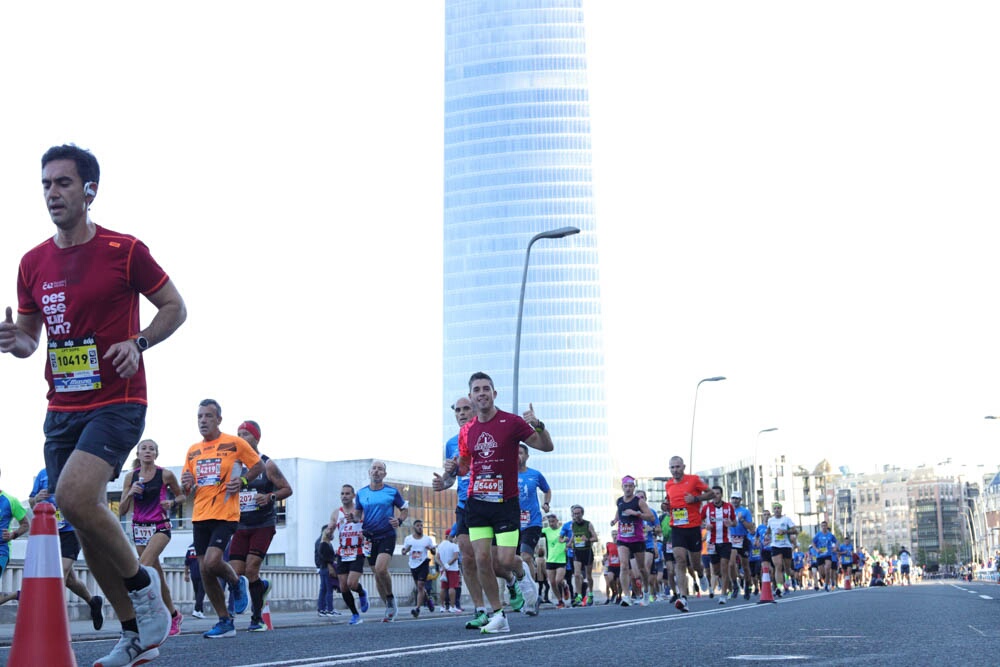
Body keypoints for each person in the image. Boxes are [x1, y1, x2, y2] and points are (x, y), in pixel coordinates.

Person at [2, 145, 187, 666]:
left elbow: (175, 307)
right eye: (45, 184)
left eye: (62, 183)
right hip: (61, 407)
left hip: (117, 400)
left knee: (75, 495)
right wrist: (14, 340)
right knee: (82, 518)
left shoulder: (124, 250)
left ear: (89, 190)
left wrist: (140, 342)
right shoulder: (32, 262)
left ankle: (144, 590)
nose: (52, 193)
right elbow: (30, 338)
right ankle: (136, 635)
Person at [458, 372, 551, 634]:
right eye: (476, 389)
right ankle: (499, 614)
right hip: (477, 503)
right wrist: (454, 468)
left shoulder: (511, 422)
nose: (482, 393)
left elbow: (547, 447)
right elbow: (465, 466)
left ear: (494, 393)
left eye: (486, 388)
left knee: (506, 559)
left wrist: (539, 425)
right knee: (482, 559)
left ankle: (522, 576)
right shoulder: (467, 430)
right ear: (472, 396)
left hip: (505, 503)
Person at [180, 398, 264, 638]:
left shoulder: (234, 443)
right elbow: (187, 488)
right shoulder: (193, 450)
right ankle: (225, 622)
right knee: (205, 571)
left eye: (208, 416)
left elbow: (258, 466)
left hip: (226, 513)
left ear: (218, 419)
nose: (203, 421)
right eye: (199, 417)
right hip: (200, 514)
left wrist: (244, 480)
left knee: (212, 562)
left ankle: (237, 583)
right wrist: (185, 485)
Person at [433, 396, 492, 629]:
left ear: (476, 409)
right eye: (458, 410)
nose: (462, 413)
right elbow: (451, 479)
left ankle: (514, 578)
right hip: (466, 504)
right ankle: (480, 609)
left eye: (466, 408)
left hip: (492, 502)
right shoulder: (450, 443)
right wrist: (443, 483)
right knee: (468, 558)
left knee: (497, 560)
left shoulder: (489, 435)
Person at [229, 420, 293, 632]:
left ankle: (256, 619)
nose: (241, 438)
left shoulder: (267, 464)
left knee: (251, 568)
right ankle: (262, 587)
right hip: (241, 524)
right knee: (235, 572)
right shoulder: (234, 466)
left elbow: (287, 489)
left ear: (256, 438)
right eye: (238, 434)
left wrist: (270, 496)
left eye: (245, 434)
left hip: (263, 524)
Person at [118, 439, 186, 636]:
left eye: (152, 449)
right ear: (138, 454)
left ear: (156, 454)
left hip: (160, 527)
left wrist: (171, 503)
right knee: (159, 576)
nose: (148, 452)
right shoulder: (131, 477)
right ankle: (174, 615)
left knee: (143, 566)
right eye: (144, 449)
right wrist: (130, 493)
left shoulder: (165, 474)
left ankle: (145, 617)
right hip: (139, 529)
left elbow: (181, 496)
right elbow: (122, 509)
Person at [29, 467, 106, 630]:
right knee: (70, 580)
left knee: (61, 571)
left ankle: (54, 617)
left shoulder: (75, 469)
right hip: (50, 532)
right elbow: (31, 501)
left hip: (71, 531)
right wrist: (37, 498)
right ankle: (93, 602)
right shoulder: (42, 474)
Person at [356, 460, 408, 622]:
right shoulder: (361, 493)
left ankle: (391, 599)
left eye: (380, 469)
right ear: (369, 472)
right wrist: (354, 519)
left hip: (387, 535)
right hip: (369, 538)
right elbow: (358, 514)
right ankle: (388, 607)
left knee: (380, 568)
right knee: (376, 574)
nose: (377, 471)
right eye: (374, 469)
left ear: (384, 474)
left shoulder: (392, 492)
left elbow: (404, 509)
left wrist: (399, 521)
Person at [664, 456, 713, 612]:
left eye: (678, 467)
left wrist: (696, 498)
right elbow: (668, 501)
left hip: (693, 526)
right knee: (680, 560)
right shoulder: (668, 484)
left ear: (683, 467)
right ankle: (683, 597)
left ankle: (701, 574)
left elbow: (711, 493)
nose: (675, 470)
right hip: (677, 527)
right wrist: (665, 505)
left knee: (695, 562)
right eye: (672, 467)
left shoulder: (693, 480)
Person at [517, 442, 551, 615]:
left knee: (525, 556)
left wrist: (546, 503)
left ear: (527, 456)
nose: (518, 456)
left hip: (532, 522)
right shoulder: (506, 475)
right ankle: (528, 594)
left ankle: (532, 596)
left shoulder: (535, 474)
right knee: (512, 561)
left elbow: (547, 490)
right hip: (512, 524)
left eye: (521, 453)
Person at [329, 484, 369, 626]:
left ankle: (362, 592)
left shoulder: (360, 511)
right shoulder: (336, 513)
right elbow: (330, 529)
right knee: (343, 587)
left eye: (347, 493)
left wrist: (358, 520)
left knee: (352, 584)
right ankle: (355, 614)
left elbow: (367, 526)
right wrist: (329, 533)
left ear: (353, 496)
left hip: (357, 550)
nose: (344, 496)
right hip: (342, 551)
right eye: (342, 493)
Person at [613, 475, 654, 607]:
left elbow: (651, 517)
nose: (628, 489)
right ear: (622, 487)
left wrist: (637, 514)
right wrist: (614, 520)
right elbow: (619, 513)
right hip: (622, 538)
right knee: (624, 566)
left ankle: (646, 591)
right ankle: (626, 596)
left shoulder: (639, 502)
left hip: (637, 539)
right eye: (626, 486)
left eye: (631, 486)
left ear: (634, 487)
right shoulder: (619, 501)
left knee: (641, 568)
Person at [700, 485, 735, 605]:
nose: (715, 496)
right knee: (715, 571)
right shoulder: (707, 508)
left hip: (725, 541)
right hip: (711, 542)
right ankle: (728, 584)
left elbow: (734, 522)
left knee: (725, 567)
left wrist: (730, 523)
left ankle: (723, 594)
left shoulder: (729, 507)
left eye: (718, 493)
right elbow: (699, 520)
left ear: (721, 495)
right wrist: (705, 526)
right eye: (713, 494)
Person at [0, 469, 29, 607]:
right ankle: (17, 595)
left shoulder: (10, 501)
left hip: (1, 551)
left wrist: (12, 535)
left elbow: (25, 524)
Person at [401, 519, 436, 617]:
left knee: (420, 585)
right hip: (413, 564)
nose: (420, 527)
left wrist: (432, 549)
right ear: (414, 527)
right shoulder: (408, 539)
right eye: (418, 526)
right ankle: (428, 600)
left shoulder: (427, 539)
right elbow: (404, 551)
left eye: (421, 526)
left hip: (423, 564)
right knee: (419, 587)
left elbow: (433, 552)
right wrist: (405, 550)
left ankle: (417, 609)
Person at [567, 504, 598, 607]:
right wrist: (569, 543)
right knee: (576, 574)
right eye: (575, 514)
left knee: (588, 576)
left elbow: (595, 538)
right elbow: (574, 536)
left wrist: (587, 539)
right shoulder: (573, 525)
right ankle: (579, 595)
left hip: (587, 551)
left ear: (582, 514)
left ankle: (590, 594)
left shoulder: (588, 524)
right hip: (577, 552)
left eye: (578, 513)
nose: (577, 516)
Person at [727, 491, 755, 601]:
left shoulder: (745, 511)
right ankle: (735, 585)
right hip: (731, 539)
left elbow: (750, 527)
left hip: (742, 539)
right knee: (731, 564)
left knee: (745, 566)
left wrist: (742, 519)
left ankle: (748, 586)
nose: (735, 500)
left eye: (737, 498)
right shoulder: (727, 510)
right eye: (733, 498)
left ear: (740, 500)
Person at [766, 502, 797, 597]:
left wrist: (785, 531)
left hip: (786, 546)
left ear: (781, 509)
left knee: (787, 568)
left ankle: (789, 579)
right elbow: (768, 531)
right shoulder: (770, 520)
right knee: (778, 566)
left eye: (778, 508)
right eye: (775, 508)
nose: (777, 510)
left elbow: (795, 530)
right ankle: (779, 587)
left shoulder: (786, 519)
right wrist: (766, 537)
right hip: (775, 546)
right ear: (773, 510)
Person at [541, 513, 569, 608]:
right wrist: (541, 520)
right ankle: (560, 601)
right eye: (549, 522)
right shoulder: (546, 530)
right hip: (550, 559)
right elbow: (536, 530)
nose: (551, 524)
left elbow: (570, 537)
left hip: (561, 559)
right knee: (552, 582)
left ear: (557, 521)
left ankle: (564, 585)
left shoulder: (562, 530)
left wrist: (567, 544)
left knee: (558, 580)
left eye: (553, 521)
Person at [314, 524, 339, 617]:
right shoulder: (323, 543)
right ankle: (329, 609)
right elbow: (323, 557)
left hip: (323, 568)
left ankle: (322, 609)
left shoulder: (324, 542)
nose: (332, 533)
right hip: (325, 568)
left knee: (324, 589)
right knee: (328, 589)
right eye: (330, 531)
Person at [435, 531, 462, 613]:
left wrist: (443, 566)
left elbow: (437, 558)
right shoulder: (454, 545)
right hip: (453, 569)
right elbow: (455, 557)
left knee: (443, 588)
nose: (455, 538)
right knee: (452, 587)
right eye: (453, 536)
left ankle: (442, 607)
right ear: (449, 536)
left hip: (443, 570)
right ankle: (452, 607)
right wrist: (447, 565)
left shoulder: (440, 545)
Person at [184, 543, 206, 618]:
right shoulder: (205, 546)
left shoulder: (190, 548)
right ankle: (196, 610)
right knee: (201, 592)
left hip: (193, 573)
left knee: (197, 592)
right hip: (203, 572)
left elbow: (187, 562)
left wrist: (186, 574)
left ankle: (200, 611)